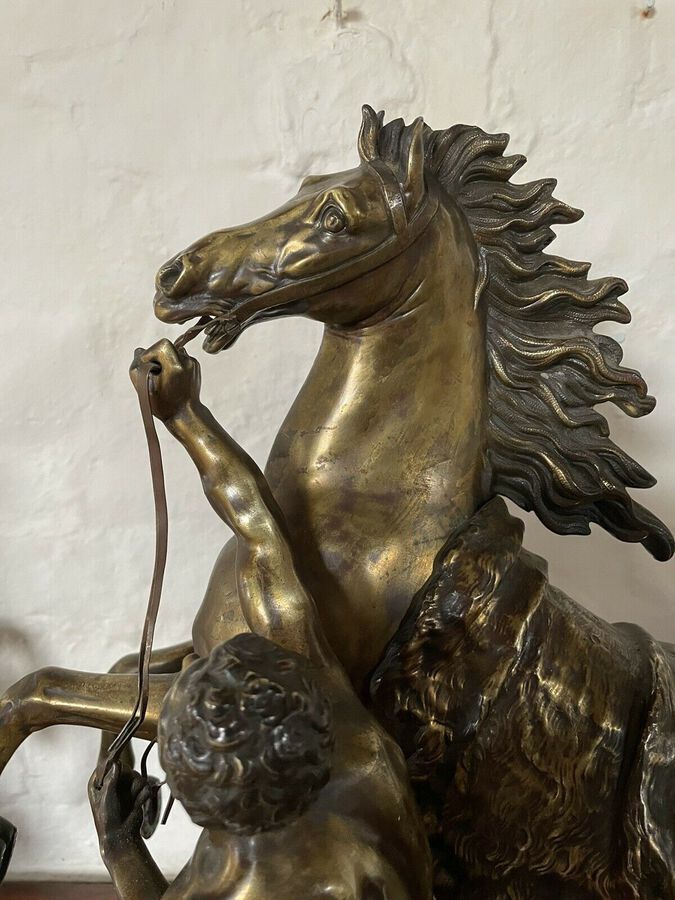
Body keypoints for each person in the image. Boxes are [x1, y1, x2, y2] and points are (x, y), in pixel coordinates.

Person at [88, 339, 433, 900]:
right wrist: (183, 414)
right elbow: (261, 536)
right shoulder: (354, 742)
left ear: (185, 790)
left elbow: (258, 534)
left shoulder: (220, 888)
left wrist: (121, 849)